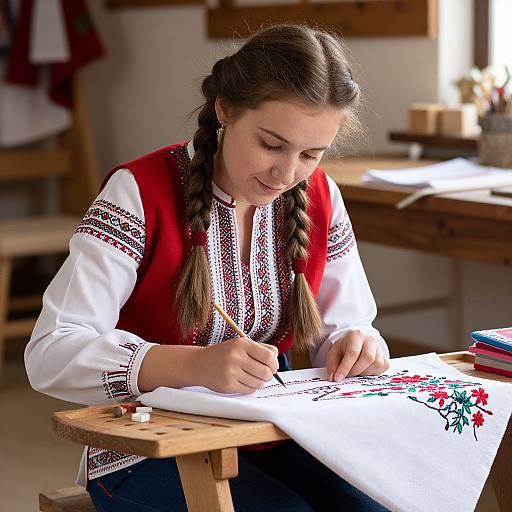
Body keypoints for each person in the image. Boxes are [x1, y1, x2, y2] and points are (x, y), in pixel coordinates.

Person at [25, 23, 390, 512]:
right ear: (225, 110)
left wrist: (355, 343)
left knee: (381, 504)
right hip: (143, 446)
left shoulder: (320, 195)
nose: (286, 175)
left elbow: (345, 324)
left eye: (311, 154)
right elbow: (50, 351)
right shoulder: (139, 192)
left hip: (271, 431)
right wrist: (192, 365)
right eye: (271, 144)